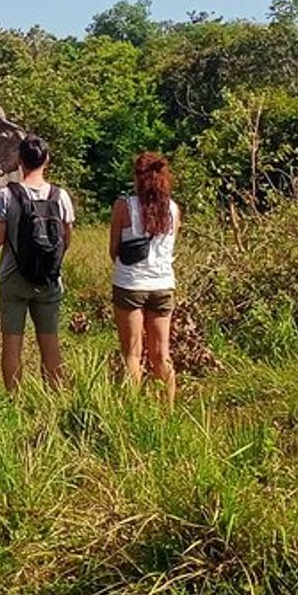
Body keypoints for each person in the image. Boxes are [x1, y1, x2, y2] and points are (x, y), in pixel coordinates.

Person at [0, 135, 75, 391]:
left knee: (12, 344)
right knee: (50, 344)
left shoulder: (6, 195)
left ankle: (13, 401)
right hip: (49, 280)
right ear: (46, 160)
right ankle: (55, 398)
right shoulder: (61, 196)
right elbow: (66, 240)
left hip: (13, 278)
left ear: (19, 160)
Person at [109, 152, 180, 405]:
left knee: (132, 354)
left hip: (130, 284)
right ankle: (168, 411)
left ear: (138, 177)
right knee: (162, 355)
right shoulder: (173, 209)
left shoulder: (123, 206)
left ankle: (134, 411)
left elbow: (113, 251)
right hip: (162, 286)